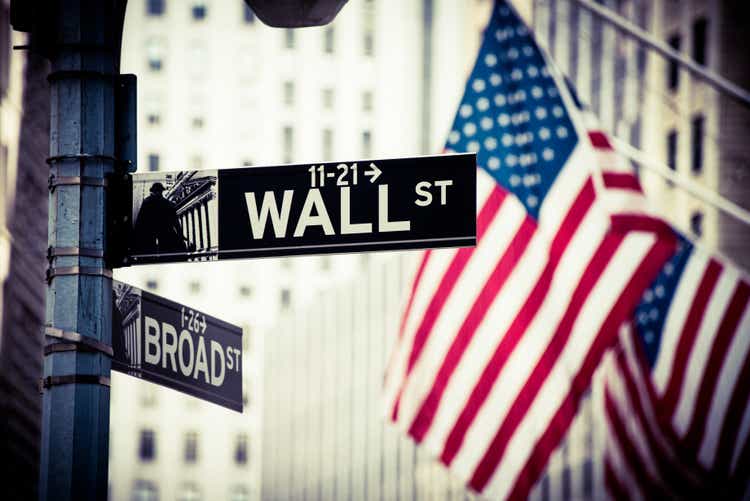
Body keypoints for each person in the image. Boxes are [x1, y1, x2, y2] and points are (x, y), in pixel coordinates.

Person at [132, 182, 188, 254]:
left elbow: (140, 220)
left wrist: (136, 236)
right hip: (164, 233)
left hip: (151, 234)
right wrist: (180, 234)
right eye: (158, 191)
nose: (158, 193)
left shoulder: (147, 202)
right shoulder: (166, 203)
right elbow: (175, 221)